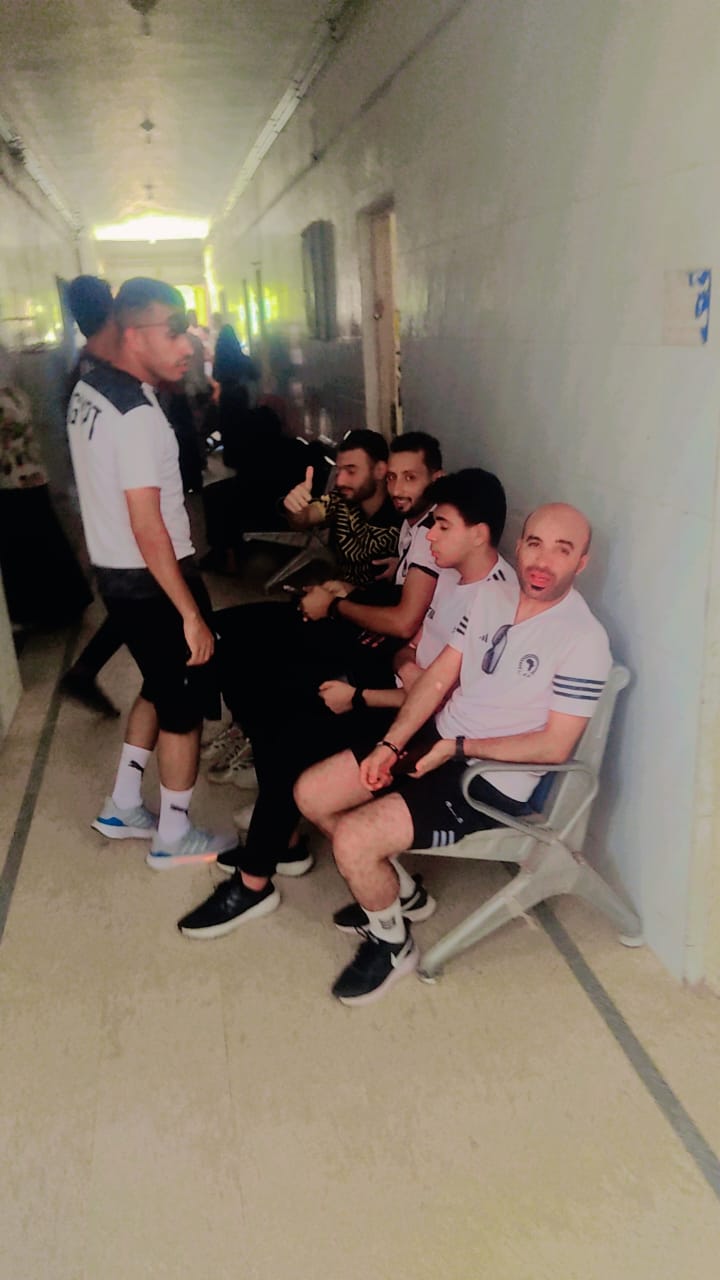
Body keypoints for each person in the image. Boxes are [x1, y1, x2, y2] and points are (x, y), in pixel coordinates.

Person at [294, 503, 612, 1006]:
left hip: (490, 778)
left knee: (354, 839)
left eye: (562, 549)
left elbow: (554, 745)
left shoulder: (584, 639)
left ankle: (393, 945)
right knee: (312, 794)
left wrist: (460, 747)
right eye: (535, 543)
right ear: (519, 545)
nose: (543, 560)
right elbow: (439, 677)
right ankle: (401, 895)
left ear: (582, 562)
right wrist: (392, 743)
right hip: (440, 738)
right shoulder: (492, 596)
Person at [176, 466, 514, 939]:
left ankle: (254, 881)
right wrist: (407, 664)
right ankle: (289, 848)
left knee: (290, 742)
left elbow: (446, 705)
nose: (430, 535)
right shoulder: (456, 576)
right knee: (273, 705)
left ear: (478, 534)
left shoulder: (496, 605)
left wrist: (361, 696)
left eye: (442, 526)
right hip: (397, 693)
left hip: (416, 727)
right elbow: (411, 645)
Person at [66, 277, 236, 868]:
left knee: (158, 685)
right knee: (183, 703)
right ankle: (173, 835)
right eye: (174, 331)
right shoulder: (136, 415)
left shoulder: (89, 388)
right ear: (133, 335)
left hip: (117, 575)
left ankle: (122, 805)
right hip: (154, 577)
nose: (188, 345)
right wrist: (190, 612)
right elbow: (148, 524)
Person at [204, 428, 402, 787]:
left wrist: (348, 592)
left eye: (351, 470)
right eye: (339, 470)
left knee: (276, 659)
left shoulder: (402, 521)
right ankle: (246, 727)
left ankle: (264, 745)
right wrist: (291, 507)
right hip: (324, 604)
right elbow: (307, 516)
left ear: (379, 470)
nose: (341, 479)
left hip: (361, 623)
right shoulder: (342, 501)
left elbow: (401, 599)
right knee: (222, 630)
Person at [60, 275, 125, 716]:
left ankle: (83, 672)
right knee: (142, 599)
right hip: (117, 503)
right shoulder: (101, 374)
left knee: (135, 603)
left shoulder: (81, 371)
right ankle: (83, 672)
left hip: (102, 500)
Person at [0, 349, 93, 631]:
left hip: (12, 482)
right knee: (45, 542)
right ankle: (65, 602)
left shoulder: (4, 402)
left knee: (24, 550)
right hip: (32, 476)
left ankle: (35, 609)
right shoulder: (16, 395)